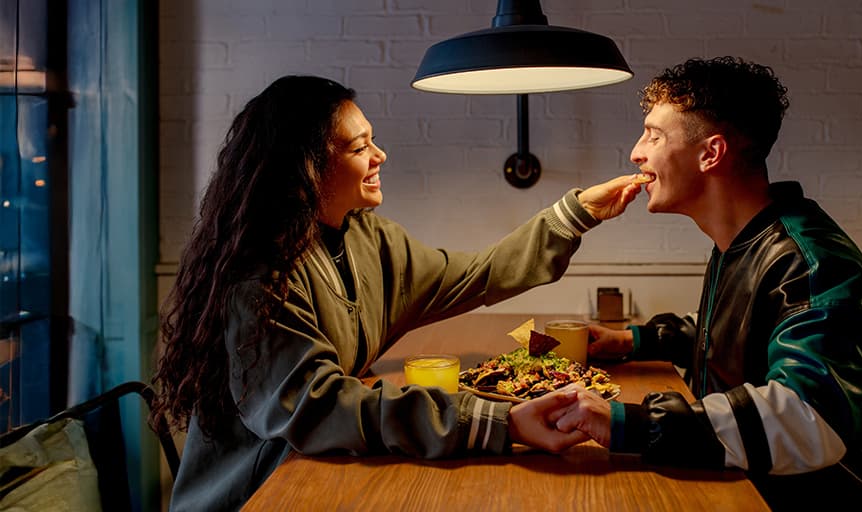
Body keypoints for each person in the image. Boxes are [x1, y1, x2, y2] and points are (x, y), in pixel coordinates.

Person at [148, 75, 643, 511]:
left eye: (373, 141)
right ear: (306, 166)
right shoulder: (260, 280)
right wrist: (498, 422)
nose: (380, 156)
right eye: (359, 147)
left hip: (322, 469)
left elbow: (476, 276)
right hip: (262, 492)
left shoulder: (368, 238)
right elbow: (322, 408)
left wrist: (576, 213)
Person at [553, 57, 862, 510]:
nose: (637, 152)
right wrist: (631, 340)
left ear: (710, 154)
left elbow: (807, 416)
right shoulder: (746, 238)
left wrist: (629, 423)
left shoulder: (809, 262)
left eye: (654, 136)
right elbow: (740, 329)